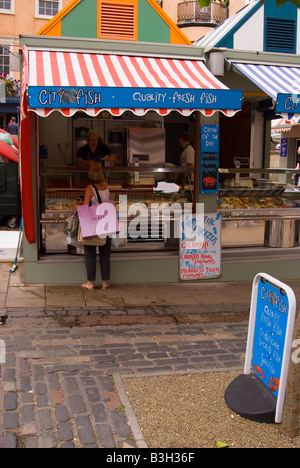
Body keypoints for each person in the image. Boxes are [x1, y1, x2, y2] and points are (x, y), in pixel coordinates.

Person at [81, 165, 111, 291]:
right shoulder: (106, 186)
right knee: (105, 254)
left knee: (90, 254)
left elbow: (85, 206)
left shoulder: (90, 188)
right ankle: (105, 282)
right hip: (105, 224)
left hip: (93, 225)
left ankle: (90, 282)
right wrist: (98, 166)